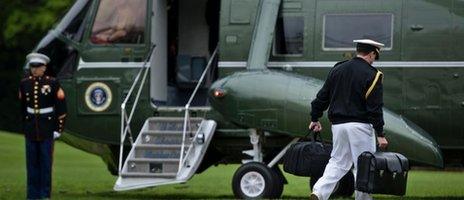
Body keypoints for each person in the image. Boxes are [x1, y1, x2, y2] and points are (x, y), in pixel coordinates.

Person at [308, 39, 389, 200]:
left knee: (337, 162)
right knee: (363, 166)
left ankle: (318, 193)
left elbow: (322, 97)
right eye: (375, 55)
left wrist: (315, 117)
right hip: (360, 127)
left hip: (338, 126)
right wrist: (380, 133)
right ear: (372, 53)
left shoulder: (338, 69)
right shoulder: (374, 75)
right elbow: (375, 108)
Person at [19, 53, 67, 199]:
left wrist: (58, 129)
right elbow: (22, 107)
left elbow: (61, 107)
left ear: (44, 68)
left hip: (47, 128)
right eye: (32, 66)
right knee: (31, 164)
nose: (34, 69)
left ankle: (44, 194)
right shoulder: (24, 83)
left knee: (45, 164)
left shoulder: (53, 83)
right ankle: (32, 195)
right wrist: (25, 125)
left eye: (38, 66)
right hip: (31, 128)